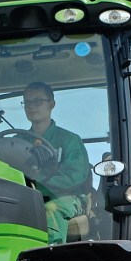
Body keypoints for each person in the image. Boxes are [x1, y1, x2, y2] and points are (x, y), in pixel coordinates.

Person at [21, 82, 91, 245]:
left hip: (65, 197)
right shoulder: (18, 141)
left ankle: (50, 260)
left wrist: (37, 182)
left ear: (51, 104)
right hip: (26, 195)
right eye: (27, 102)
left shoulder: (70, 140)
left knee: (51, 209)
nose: (31, 106)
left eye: (37, 101)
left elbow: (75, 176)